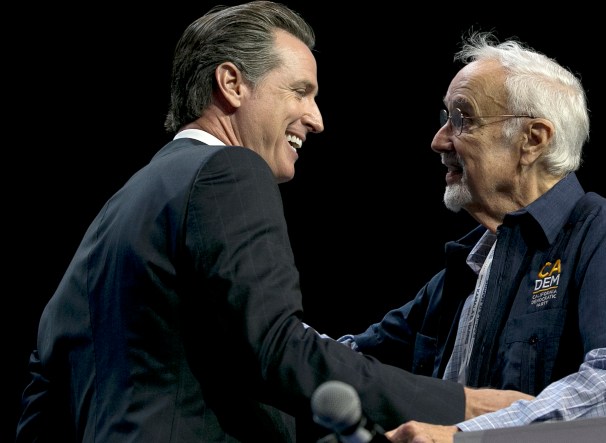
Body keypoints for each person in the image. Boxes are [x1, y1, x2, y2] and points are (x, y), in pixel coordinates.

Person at [14, 4, 523, 442]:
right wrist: (466, 407)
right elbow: (278, 349)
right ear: (232, 84)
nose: (317, 118)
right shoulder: (227, 172)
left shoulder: (121, 207)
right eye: (300, 91)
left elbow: (45, 383)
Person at [338, 31, 606, 443]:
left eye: (462, 119)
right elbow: (350, 362)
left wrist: (462, 434)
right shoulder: (464, 272)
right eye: (444, 118)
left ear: (533, 139)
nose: (439, 140)